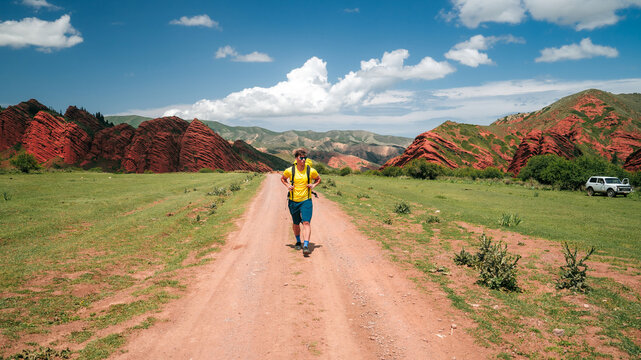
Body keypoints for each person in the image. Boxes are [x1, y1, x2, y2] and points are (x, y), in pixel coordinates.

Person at [281, 148, 321, 255]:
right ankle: (298, 241)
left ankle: (306, 245)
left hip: (306, 200)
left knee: (306, 222)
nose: (303, 160)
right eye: (301, 158)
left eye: (305, 158)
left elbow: (318, 179)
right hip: (293, 201)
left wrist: (313, 185)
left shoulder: (310, 170)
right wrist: (288, 185)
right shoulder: (290, 170)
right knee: (295, 223)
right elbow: (283, 179)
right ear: (296, 158)